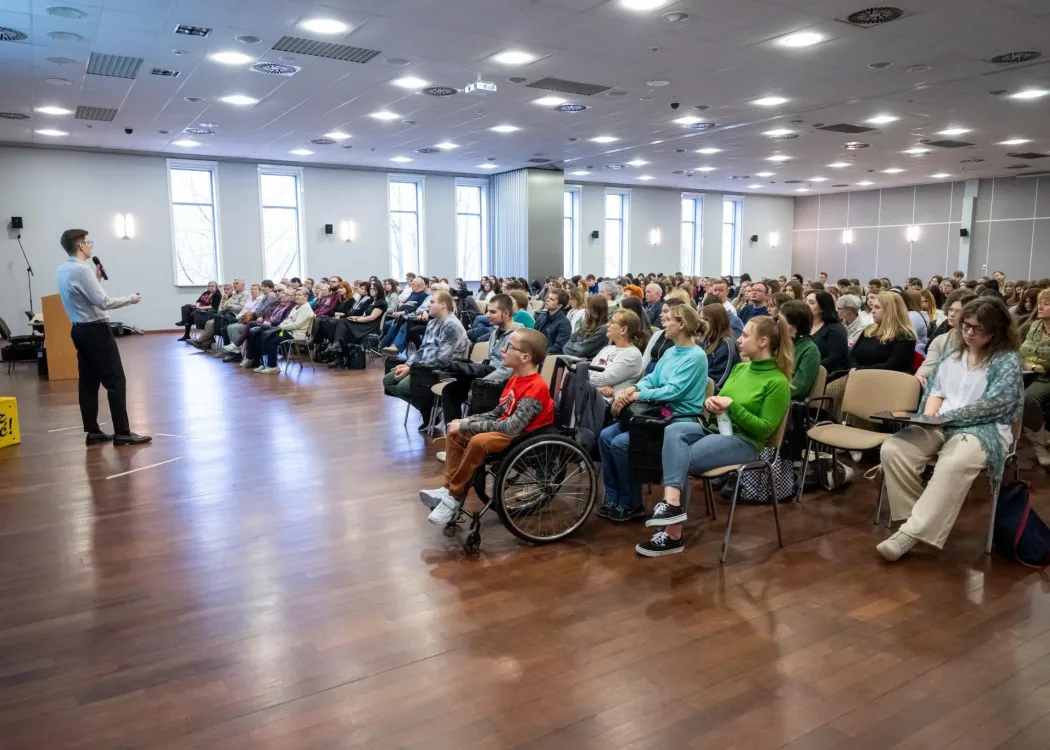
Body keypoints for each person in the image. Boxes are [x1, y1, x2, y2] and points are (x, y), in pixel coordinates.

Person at [878, 298, 1023, 561]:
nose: (968, 333)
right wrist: (929, 416)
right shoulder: (953, 355)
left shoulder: (1006, 361)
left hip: (985, 429)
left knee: (954, 461)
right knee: (894, 448)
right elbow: (936, 391)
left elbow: (994, 405)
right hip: (942, 423)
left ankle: (909, 533)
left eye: (977, 329)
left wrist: (946, 418)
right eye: (966, 326)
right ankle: (918, 518)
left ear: (996, 331)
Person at [637, 315, 792, 557]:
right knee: (674, 429)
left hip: (746, 442)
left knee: (680, 458)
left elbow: (765, 430)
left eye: (745, 335)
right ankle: (673, 504)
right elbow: (723, 401)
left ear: (763, 342)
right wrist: (712, 403)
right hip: (718, 428)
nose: (739, 340)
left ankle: (672, 534)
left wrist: (732, 407)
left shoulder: (777, 382)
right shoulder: (741, 368)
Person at [420, 328, 555, 524]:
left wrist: (470, 427)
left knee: (478, 441)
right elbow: (497, 413)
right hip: (508, 428)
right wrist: (466, 422)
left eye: (510, 346)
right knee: (456, 431)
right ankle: (447, 489)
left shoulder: (536, 387)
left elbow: (511, 427)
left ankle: (453, 497)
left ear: (525, 357)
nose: (503, 350)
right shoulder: (516, 378)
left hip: (524, 436)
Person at [599, 304, 709, 523]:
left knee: (621, 443)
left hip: (678, 418)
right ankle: (614, 496)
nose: (663, 323)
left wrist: (637, 396)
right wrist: (635, 388)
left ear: (682, 324)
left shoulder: (696, 356)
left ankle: (631, 503)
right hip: (657, 413)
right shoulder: (670, 351)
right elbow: (653, 378)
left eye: (668, 319)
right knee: (605, 437)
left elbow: (674, 391)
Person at [55, 228, 149, 445]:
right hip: (96, 330)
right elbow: (103, 302)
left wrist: (97, 278)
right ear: (80, 246)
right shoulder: (81, 270)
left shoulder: (63, 269)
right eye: (88, 242)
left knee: (88, 381)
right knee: (115, 379)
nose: (90, 245)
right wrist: (131, 298)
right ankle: (123, 433)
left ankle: (93, 430)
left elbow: (85, 296)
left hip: (79, 330)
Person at [383, 291, 468, 430]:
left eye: (432, 302)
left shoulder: (451, 325)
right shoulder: (433, 323)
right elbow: (422, 350)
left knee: (403, 387)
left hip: (441, 371)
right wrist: (407, 365)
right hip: (425, 367)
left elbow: (442, 359)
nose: (428, 305)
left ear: (443, 305)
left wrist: (413, 369)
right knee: (388, 380)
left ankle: (429, 408)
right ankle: (426, 409)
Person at [438, 294, 521, 426]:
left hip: (502, 383)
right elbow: (489, 360)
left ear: (506, 313)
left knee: (474, 379)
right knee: (450, 390)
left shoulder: (518, 336)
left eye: (493, 312)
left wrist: (478, 383)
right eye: (488, 310)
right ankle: (453, 432)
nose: (487, 315)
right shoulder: (495, 333)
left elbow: (506, 371)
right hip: (487, 376)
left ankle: (453, 366)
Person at [1020, 288, 1050, 466]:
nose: (1041, 306)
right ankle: (1044, 436)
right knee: (1007, 395)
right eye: (1040, 303)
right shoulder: (1033, 326)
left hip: (1047, 378)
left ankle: (1039, 447)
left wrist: (1035, 364)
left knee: (1027, 398)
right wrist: (1032, 365)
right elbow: (1021, 353)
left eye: (1046, 304)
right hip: (1029, 374)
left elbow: (1047, 365)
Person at [589, 310, 646, 403]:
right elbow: (589, 371)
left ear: (623, 330)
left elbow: (604, 378)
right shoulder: (607, 348)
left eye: (612, 322)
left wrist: (587, 379)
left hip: (608, 404)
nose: (608, 324)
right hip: (594, 396)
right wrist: (600, 388)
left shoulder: (632, 355)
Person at [255, 288, 315, 373]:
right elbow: (287, 320)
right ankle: (264, 363)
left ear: (306, 297)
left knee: (271, 339)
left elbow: (296, 325)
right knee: (264, 333)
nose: (296, 297)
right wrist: (281, 326)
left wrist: (280, 327)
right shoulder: (296, 307)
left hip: (295, 334)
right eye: (296, 295)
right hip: (286, 331)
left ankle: (273, 366)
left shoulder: (306, 308)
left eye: (299, 295)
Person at [189, 279, 248, 350]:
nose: (234, 285)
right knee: (209, 322)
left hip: (234, 316)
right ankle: (204, 343)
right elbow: (223, 306)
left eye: (236, 283)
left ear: (243, 285)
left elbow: (240, 308)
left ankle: (199, 342)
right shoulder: (235, 294)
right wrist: (226, 304)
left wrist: (228, 305)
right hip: (226, 314)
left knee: (212, 323)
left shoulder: (245, 294)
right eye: (234, 283)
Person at [780, 300, 819, 399]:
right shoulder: (781, 342)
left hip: (786, 403)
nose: (777, 323)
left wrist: (771, 394)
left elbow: (799, 387)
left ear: (794, 324)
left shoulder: (810, 350)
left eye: (781, 321)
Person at [806, 291, 848, 373]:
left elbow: (835, 359)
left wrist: (807, 366)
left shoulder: (835, 329)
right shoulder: (803, 325)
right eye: (805, 301)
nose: (805, 305)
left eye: (811, 303)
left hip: (826, 373)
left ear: (822, 308)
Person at [699, 303, 739, 389]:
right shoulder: (706, 340)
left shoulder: (727, 343)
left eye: (705, 319)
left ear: (716, 321)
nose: (702, 323)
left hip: (716, 392)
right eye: (701, 319)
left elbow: (720, 379)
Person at [562, 294, 609, 359]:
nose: (585, 310)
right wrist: (578, 348)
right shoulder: (586, 324)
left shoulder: (603, 329)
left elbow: (583, 349)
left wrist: (574, 346)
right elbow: (566, 347)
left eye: (587, 308)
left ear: (596, 310)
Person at [533, 289, 572, 355]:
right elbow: (533, 336)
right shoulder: (541, 317)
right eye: (548, 297)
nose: (547, 300)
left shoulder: (564, 323)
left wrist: (538, 352)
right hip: (537, 352)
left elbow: (559, 347)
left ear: (559, 305)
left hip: (549, 357)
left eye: (551, 299)